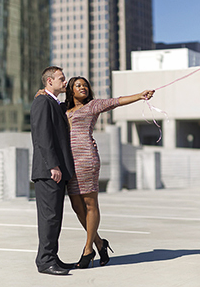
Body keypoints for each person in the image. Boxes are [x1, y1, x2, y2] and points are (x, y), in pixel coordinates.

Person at [63, 76, 154, 268]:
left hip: (86, 158)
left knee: (89, 203)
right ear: (70, 90)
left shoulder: (93, 106)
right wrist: (40, 94)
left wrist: (140, 95)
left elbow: (116, 101)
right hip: (69, 162)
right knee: (76, 205)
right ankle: (99, 243)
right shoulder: (63, 109)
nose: (83, 88)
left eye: (85, 85)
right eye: (78, 85)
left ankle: (88, 249)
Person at [30, 66, 75, 276]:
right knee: (49, 217)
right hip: (49, 171)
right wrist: (52, 165)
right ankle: (45, 261)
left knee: (55, 217)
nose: (64, 82)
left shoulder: (56, 103)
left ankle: (52, 257)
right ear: (49, 81)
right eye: (61, 79)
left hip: (57, 170)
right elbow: (42, 136)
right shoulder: (42, 102)